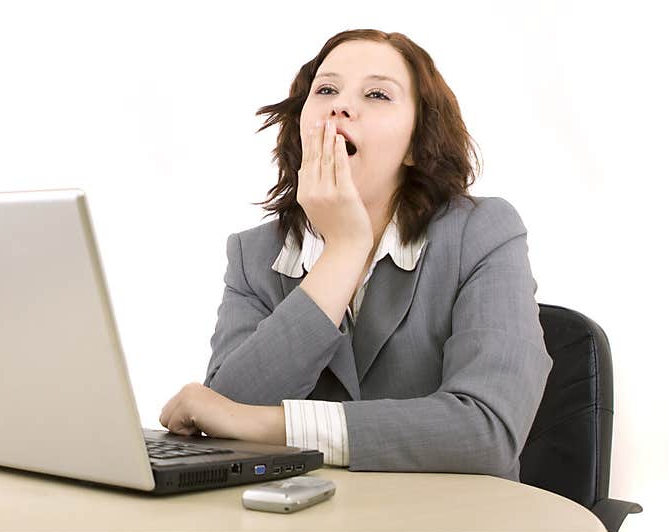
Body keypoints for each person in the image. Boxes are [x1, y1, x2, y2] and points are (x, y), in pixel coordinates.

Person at [158, 28, 553, 482]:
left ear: (415, 142)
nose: (340, 106)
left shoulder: (482, 232)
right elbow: (222, 418)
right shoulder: (254, 254)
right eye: (325, 90)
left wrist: (273, 428)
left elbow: (488, 432)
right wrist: (341, 255)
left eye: (378, 94)